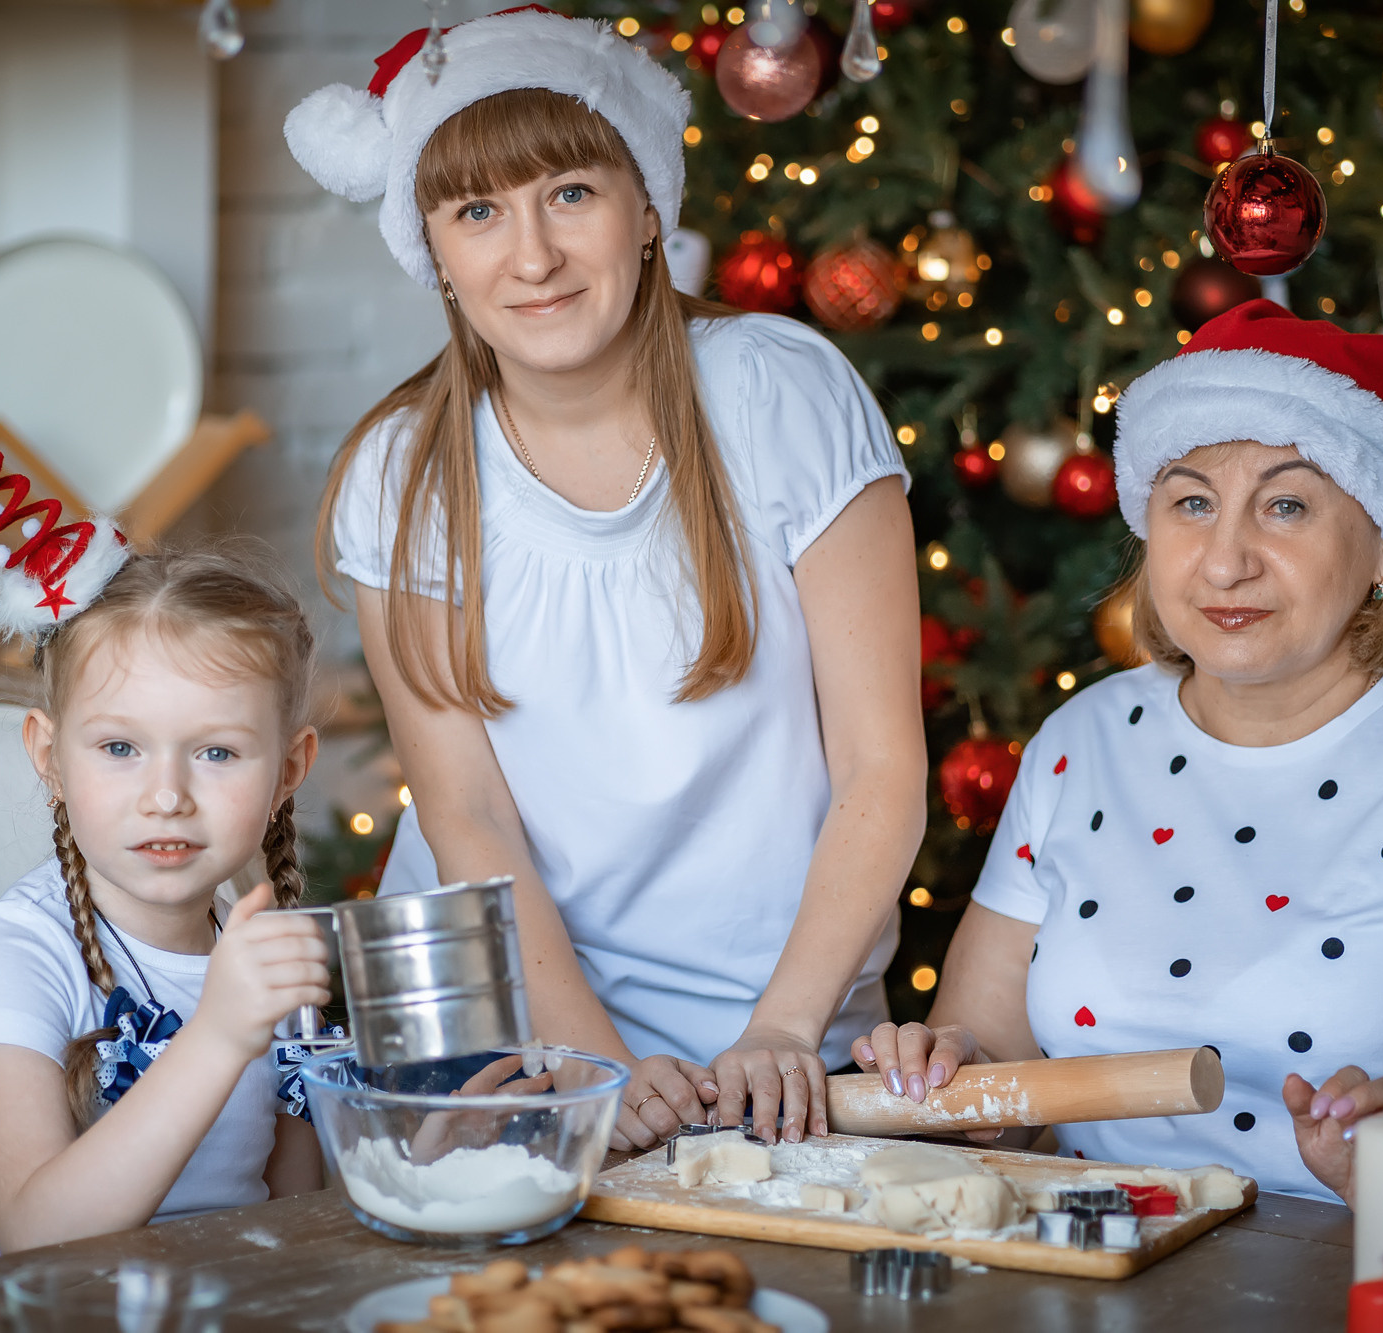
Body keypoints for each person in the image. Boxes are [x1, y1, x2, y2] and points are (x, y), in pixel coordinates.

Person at [285, 8, 926, 1151]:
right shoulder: (403, 474)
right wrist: (594, 1066)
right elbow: (465, 810)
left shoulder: (781, 396)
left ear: (644, 211)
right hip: (508, 1036)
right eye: (477, 212)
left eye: (569, 194)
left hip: (781, 1028)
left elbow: (880, 766)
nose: (529, 257)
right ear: (431, 249)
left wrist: (783, 1025)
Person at [851, 301, 1383, 1206]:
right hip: (1093, 1266)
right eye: (1192, 501)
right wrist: (949, 1073)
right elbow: (992, 1070)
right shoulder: (1082, 742)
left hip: (1373, 1274)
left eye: (1287, 505)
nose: (1225, 562)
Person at [0, 432, 332, 1259]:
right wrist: (219, 1035)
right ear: (50, 757)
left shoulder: (265, 965)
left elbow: (298, 1228)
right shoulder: (16, 959)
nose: (166, 795)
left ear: (288, 770)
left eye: (216, 752)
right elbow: (35, 1231)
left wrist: (424, 1143)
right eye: (120, 748)